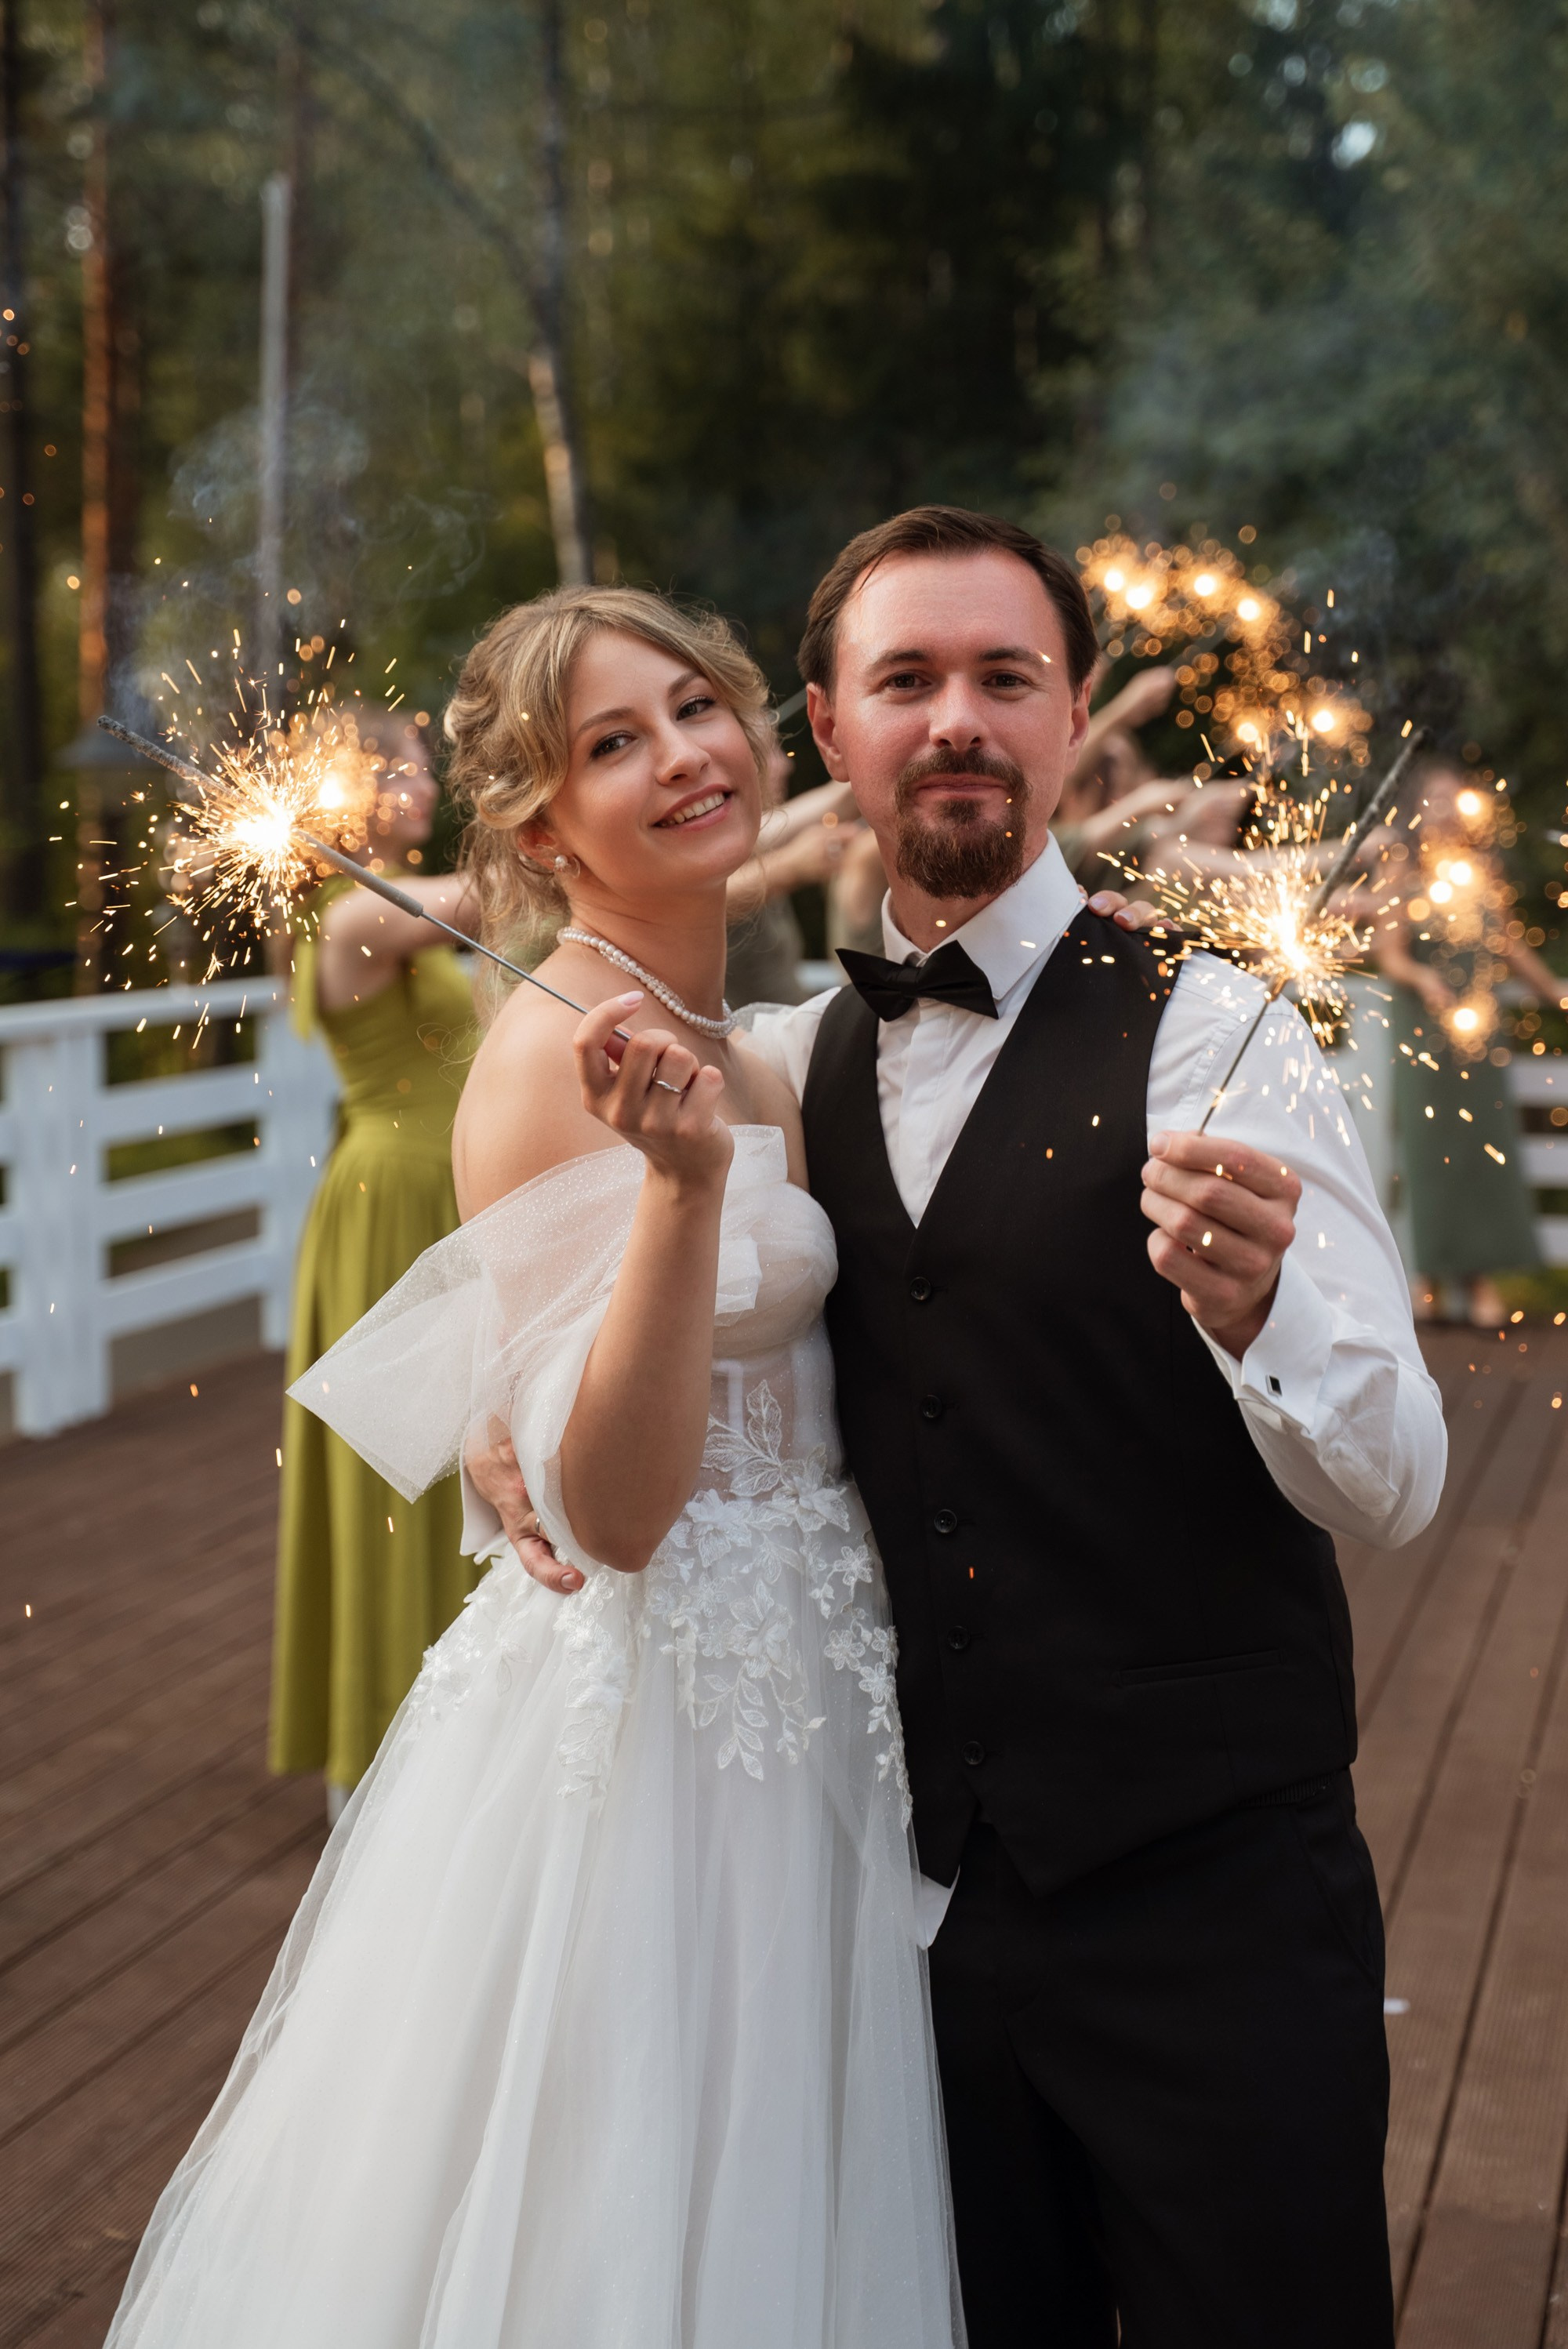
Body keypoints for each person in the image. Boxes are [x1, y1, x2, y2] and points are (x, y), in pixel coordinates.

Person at [506, 508, 1448, 2347]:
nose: (955, 718)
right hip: (907, 1930)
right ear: (831, 730)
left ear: (1070, 712)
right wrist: (501, 1421)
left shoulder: (1225, 1037)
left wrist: (1257, 1315)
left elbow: (1399, 1482)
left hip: (1213, 1911)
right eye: (905, 681)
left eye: (1002, 678)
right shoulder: (782, 1065)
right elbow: (663, 1303)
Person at [104, 587, 980, 2349]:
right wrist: (676, 1197)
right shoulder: (547, 1066)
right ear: (534, 823)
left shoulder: (746, 1043)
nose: (682, 757)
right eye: (611, 743)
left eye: (694, 708)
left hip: (819, 1693)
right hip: (660, 1741)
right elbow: (617, 1509)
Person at [270, 712, 483, 1818]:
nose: (425, 780)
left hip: (443, 1194)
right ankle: (378, 1748)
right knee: (400, 1472)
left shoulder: (396, 905)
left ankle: (461, 1726)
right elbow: (502, 899)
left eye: (425, 762)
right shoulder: (356, 912)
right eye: (397, 766)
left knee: (466, 1456)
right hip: (393, 1206)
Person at [1370, 757, 1560, 1325]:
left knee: (1483, 1153)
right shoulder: (1399, 874)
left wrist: (1555, 994)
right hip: (1425, 1036)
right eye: (1438, 798)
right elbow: (1389, 954)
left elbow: (1507, 945)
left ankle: (1480, 1285)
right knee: (1433, 1157)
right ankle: (1427, 1280)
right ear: (1419, 808)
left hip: (1480, 1039)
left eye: (1456, 798)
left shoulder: (1480, 872)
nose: (1448, 808)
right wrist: (1424, 978)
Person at [723, 732, 860, 1006]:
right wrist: (791, 867)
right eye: (768, 752)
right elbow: (685, 898)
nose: (786, 765)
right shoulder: (710, 849)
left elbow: (838, 801)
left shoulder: (745, 837)